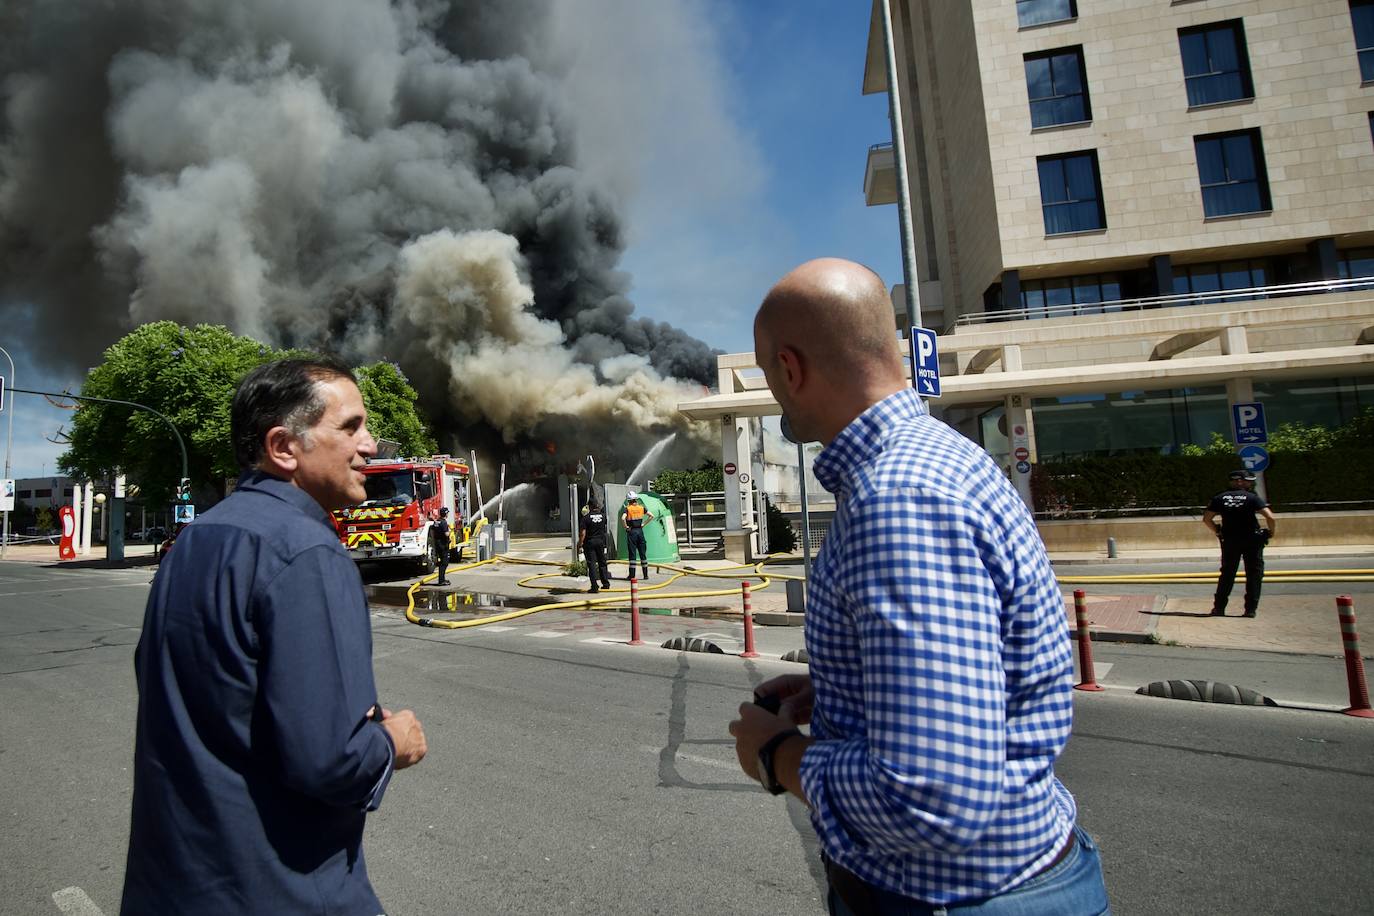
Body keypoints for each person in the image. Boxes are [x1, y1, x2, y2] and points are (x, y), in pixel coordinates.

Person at [729, 258, 1109, 915]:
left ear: (790, 368)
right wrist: (847, 683)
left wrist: (775, 755)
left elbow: (931, 797)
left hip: (954, 898)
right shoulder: (943, 455)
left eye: (768, 374)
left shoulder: (896, 499)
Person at [122, 358, 428, 915]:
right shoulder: (307, 553)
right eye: (351, 427)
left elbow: (168, 686)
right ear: (284, 447)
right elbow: (331, 760)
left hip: (174, 885)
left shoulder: (194, 540)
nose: (372, 445)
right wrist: (392, 742)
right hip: (282, 890)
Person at [1203, 469, 1276, 618]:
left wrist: (1217, 531)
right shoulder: (1252, 498)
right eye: (1248, 480)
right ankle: (1250, 610)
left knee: (1227, 574)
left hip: (1230, 540)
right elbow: (1270, 517)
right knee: (1254, 574)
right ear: (1240, 481)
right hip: (1252, 540)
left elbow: (1206, 519)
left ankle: (1219, 608)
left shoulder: (1219, 498)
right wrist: (1271, 532)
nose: (1250, 483)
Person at [579, 496, 613, 592]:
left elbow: (583, 533)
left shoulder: (585, 518)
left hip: (590, 543)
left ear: (589, 506)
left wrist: (580, 544)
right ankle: (606, 583)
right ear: (597, 505)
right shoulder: (603, 516)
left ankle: (594, 586)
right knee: (602, 562)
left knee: (592, 564)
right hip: (600, 542)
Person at [621, 490, 653, 580]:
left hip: (632, 532)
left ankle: (632, 575)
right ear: (636, 500)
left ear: (629, 500)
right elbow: (651, 516)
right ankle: (645, 575)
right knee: (643, 554)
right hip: (640, 531)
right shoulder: (641, 507)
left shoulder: (627, 508)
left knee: (632, 554)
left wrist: (626, 527)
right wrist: (644, 524)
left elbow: (623, 518)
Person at [432, 506, 452, 586]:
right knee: (444, 563)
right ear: (446, 514)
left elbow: (433, 530)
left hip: (437, 544)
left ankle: (442, 579)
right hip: (443, 545)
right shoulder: (443, 522)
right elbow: (446, 534)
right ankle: (441, 580)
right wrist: (450, 531)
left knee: (442, 563)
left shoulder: (436, 521)